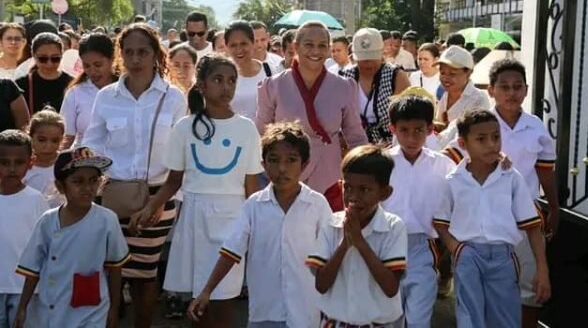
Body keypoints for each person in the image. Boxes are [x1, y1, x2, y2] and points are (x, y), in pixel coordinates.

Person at [129, 55, 262, 328]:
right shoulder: (185, 127)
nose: (226, 87)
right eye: (218, 80)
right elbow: (173, 181)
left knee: (224, 299)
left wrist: (256, 226)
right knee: (198, 303)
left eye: (232, 81)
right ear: (201, 84)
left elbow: (251, 187)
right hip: (194, 220)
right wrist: (151, 206)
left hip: (233, 219)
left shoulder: (247, 128)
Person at [83, 23, 187, 328]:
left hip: (159, 197)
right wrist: (97, 176)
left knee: (145, 275)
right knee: (111, 272)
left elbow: (181, 156)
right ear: (121, 54)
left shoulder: (174, 97)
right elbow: (92, 143)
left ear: (156, 54)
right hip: (114, 197)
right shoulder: (107, 96)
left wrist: (157, 204)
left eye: (143, 51)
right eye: (129, 52)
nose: (136, 58)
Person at [443, 59, 559, 328]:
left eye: (518, 87)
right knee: (480, 296)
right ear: (491, 90)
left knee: (528, 289)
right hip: (484, 221)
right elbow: (448, 160)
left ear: (526, 90)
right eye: (504, 87)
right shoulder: (479, 123)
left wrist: (553, 207)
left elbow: (545, 171)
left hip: (525, 219)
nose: (511, 93)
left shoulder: (535, 126)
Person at [187, 122, 332, 327]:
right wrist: (207, 291)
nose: (282, 168)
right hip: (264, 312)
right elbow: (231, 251)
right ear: (264, 164)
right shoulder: (253, 206)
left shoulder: (317, 205)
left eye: (291, 160)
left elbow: (330, 254)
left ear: (304, 164)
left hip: (306, 313)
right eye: (274, 160)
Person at [14, 146, 130, 328]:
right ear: (60, 186)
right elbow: (32, 270)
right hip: (51, 307)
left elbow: (115, 269)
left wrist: (114, 309)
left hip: (91, 311)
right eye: (78, 181)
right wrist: (22, 308)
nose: (87, 188)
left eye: (93, 180)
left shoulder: (107, 220)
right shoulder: (47, 221)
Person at [256, 21, 368, 210]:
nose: (315, 51)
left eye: (322, 45)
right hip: (285, 175)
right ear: (295, 47)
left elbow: (355, 136)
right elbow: (260, 134)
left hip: (329, 177)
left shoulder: (344, 86)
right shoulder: (273, 86)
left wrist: (367, 169)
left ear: (329, 49)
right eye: (309, 44)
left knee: (330, 227)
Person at [307, 145, 408, 327]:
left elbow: (390, 288)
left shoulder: (393, 227)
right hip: (337, 322)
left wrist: (359, 241)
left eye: (364, 189)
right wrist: (346, 242)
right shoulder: (331, 224)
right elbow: (321, 285)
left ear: (384, 193)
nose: (353, 197)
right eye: (348, 188)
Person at [382, 96, 455, 328]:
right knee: (389, 316)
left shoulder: (443, 165)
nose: (411, 138)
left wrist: (501, 161)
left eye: (418, 130)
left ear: (430, 129)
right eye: (404, 130)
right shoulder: (382, 163)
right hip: (385, 245)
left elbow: (464, 190)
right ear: (393, 128)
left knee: (418, 318)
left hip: (423, 246)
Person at [0, 130, 49, 328]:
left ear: (30, 162)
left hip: (26, 290)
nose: (12, 169)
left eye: (19, 162)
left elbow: (46, 244)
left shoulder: (36, 200)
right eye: (4, 162)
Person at [340, 28, 410, 145]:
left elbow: (407, 119)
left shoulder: (397, 76)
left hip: (391, 144)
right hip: (355, 146)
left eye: (373, 57)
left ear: (382, 53)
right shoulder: (345, 78)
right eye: (363, 58)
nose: (368, 62)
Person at [60, 33, 117, 149]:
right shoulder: (75, 93)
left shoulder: (127, 90)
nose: (92, 71)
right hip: (84, 157)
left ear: (112, 60)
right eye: (86, 66)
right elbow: (66, 138)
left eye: (98, 65)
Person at [435, 45, 490, 148]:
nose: (446, 78)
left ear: (468, 73)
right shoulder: (443, 95)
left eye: (452, 74)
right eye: (442, 73)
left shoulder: (479, 99)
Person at [15, 33, 73, 114]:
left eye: (55, 58)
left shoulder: (73, 84)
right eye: (43, 59)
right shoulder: (21, 85)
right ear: (33, 55)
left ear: (62, 55)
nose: (49, 64)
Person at [226, 21, 271, 121]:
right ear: (226, 46)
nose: (239, 50)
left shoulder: (269, 70)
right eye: (233, 45)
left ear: (252, 43)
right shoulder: (219, 74)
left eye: (243, 43)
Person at [22, 108, 65, 208]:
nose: (48, 146)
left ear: (62, 139)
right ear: (30, 137)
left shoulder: (66, 164)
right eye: (42, 140)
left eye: (55, 141)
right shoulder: (22, 165)